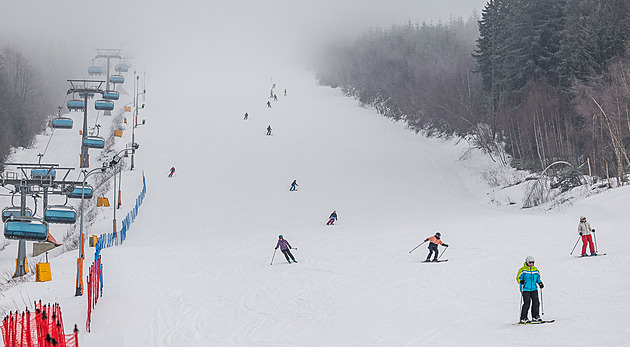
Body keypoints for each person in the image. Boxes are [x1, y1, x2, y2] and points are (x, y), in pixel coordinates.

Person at [516, 256, 544, 323]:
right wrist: (520, 281)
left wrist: (540, 283)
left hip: (534, 288)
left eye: (532, 263)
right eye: (530, 262)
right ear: (527, 262)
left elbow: (538, 278)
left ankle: (535, 316)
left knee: (536, 302)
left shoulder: (536, 270)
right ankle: (523, 318)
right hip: (525, 289)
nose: (531, 264)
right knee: (527, 303)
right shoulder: (522, 270)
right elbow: (518, 278)